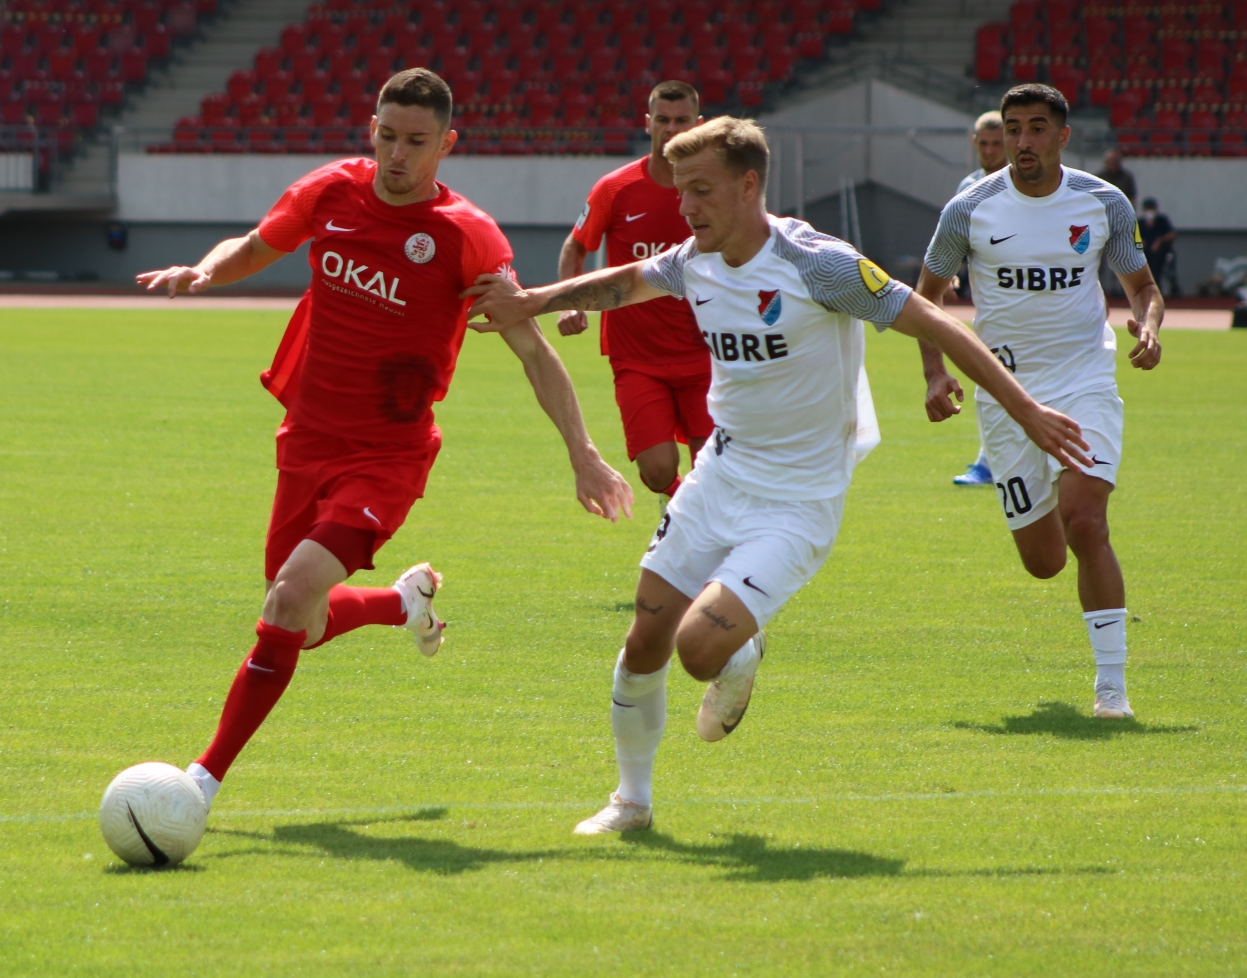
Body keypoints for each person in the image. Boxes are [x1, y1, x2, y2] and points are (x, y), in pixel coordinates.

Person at [465, 117, 1088, 833]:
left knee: (698, 649)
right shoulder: (693, 260)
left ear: (748, 185)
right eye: (680, 191)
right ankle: (631, 802)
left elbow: (937, 323)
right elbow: (623, 282)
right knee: (643, 639)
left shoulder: (817, 264)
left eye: (701, 190)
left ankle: (741, 644)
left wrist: (1025, 408)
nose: (685, 207)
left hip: (798, 500)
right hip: (720, 476)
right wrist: (534, 300)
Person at [135, 68, 636, 812]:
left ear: (447, 144)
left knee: (288, 598)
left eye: (417, 142)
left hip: (387, 456)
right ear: (371, 128)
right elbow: (256, 245)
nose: (398, 155)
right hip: (307, 437)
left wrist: (583, 454)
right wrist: (203, 272)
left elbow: (533, 350)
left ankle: (199, 784)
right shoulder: (331, 192)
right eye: (388, 136)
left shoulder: (467, 235)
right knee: (300, 623)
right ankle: (404, 604)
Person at [915, 83, 1164, 721]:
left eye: (1035, 128)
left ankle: (1112, 689)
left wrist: (1149, 325)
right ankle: (1045, 495)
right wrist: (935, 372)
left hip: (1084, 380)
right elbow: (927, 298)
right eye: (1013, 128)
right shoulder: (969, 208)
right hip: (1006, 395)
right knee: (1045, 561)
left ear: (1062, 136)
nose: (1022, 141)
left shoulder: (1102, 201)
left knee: (1086, 522)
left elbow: (1142, 286)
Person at [555, 80, 712, 498]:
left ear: (699, 125)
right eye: (663, 120)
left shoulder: (715, 190)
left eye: (682, 121)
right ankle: (677, 503)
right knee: (657, 470)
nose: (671, 129)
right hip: (637, 356)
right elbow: (576, 246)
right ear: (647, 123)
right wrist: (571, 303)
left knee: (713, 464)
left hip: (706, 351)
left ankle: (693, 525)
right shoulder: (616, 188)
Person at [949, 110, 1009, 487]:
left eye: (996, 143)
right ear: (974, 143)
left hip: (1026, 298)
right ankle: (988, 461)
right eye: (983, 143)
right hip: (989, 304)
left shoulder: (1025, 185)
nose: (989, 150)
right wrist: (949, 272)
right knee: (990, 376)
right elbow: (954, 240)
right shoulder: (968, 188)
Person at [1138, 196, 1177, 297]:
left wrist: (1159, 240)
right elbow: (1133, 236)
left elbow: (1171, 234)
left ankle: (1157, 289)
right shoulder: (1140, 222)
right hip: (1144, 253)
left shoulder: (1162, 220)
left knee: (1157, 266)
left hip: (1160, 253)